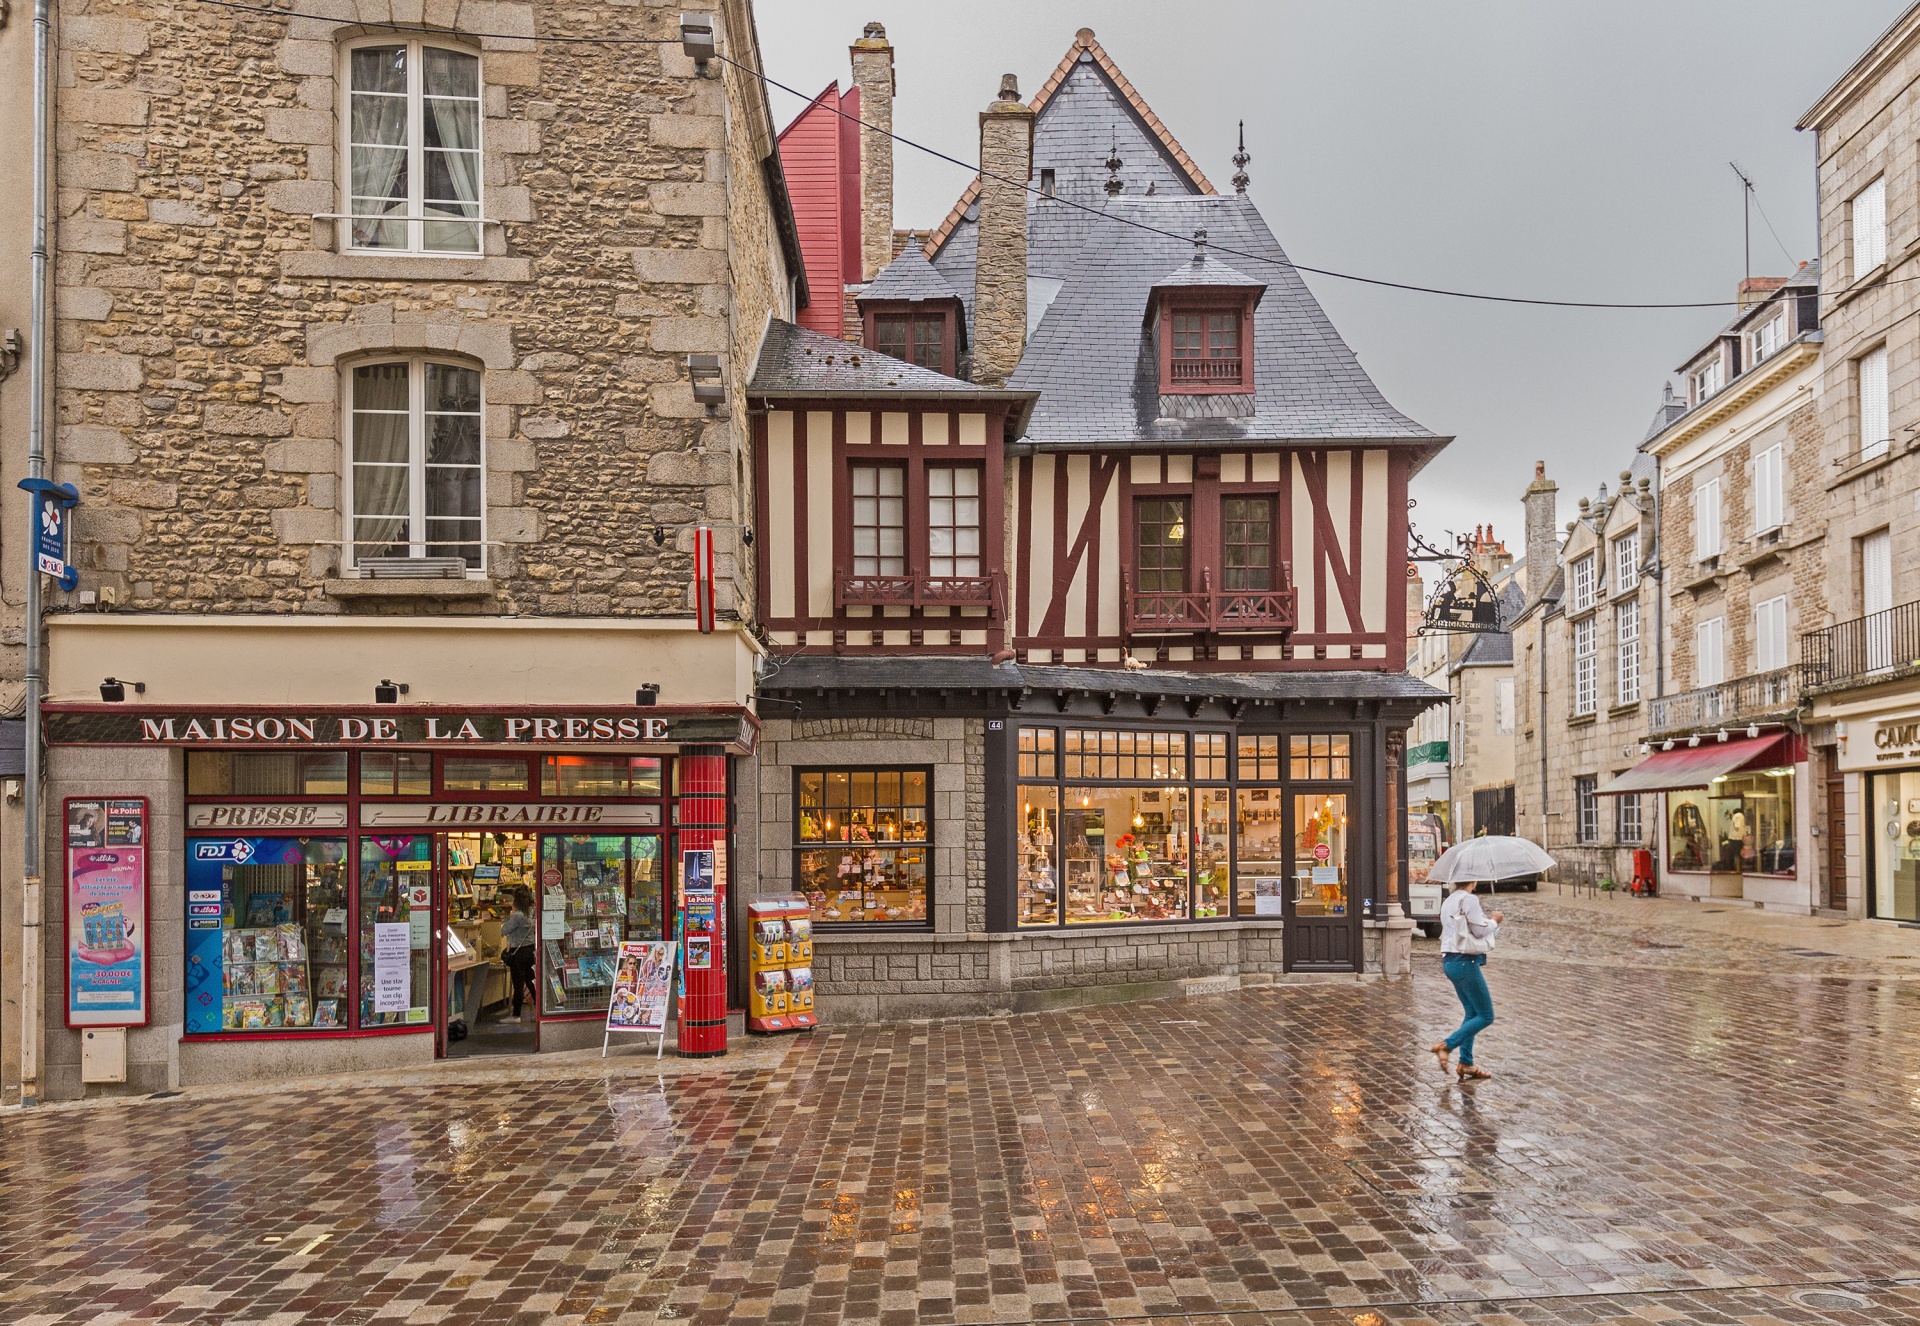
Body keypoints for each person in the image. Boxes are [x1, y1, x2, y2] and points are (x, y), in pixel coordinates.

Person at [1430, 879, 1502, 1081]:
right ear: (1473, 880)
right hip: (1464, 961)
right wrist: (1495, 921)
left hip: (1450, 962)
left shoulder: (1449, 900)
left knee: (1472, 1013)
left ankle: (1466, 1063)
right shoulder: (1469, 899)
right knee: (1486, 1015)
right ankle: (1446, 1046)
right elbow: (1479, 931)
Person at [500, 887, 536, 1023]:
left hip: (518, 952)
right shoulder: (532, 913)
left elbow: (504, 930)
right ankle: (538, 1010)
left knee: (518, 983)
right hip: (530, 949)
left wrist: (509, 916)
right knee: (531, 980)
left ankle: (516, 1015)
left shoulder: (517, 916)